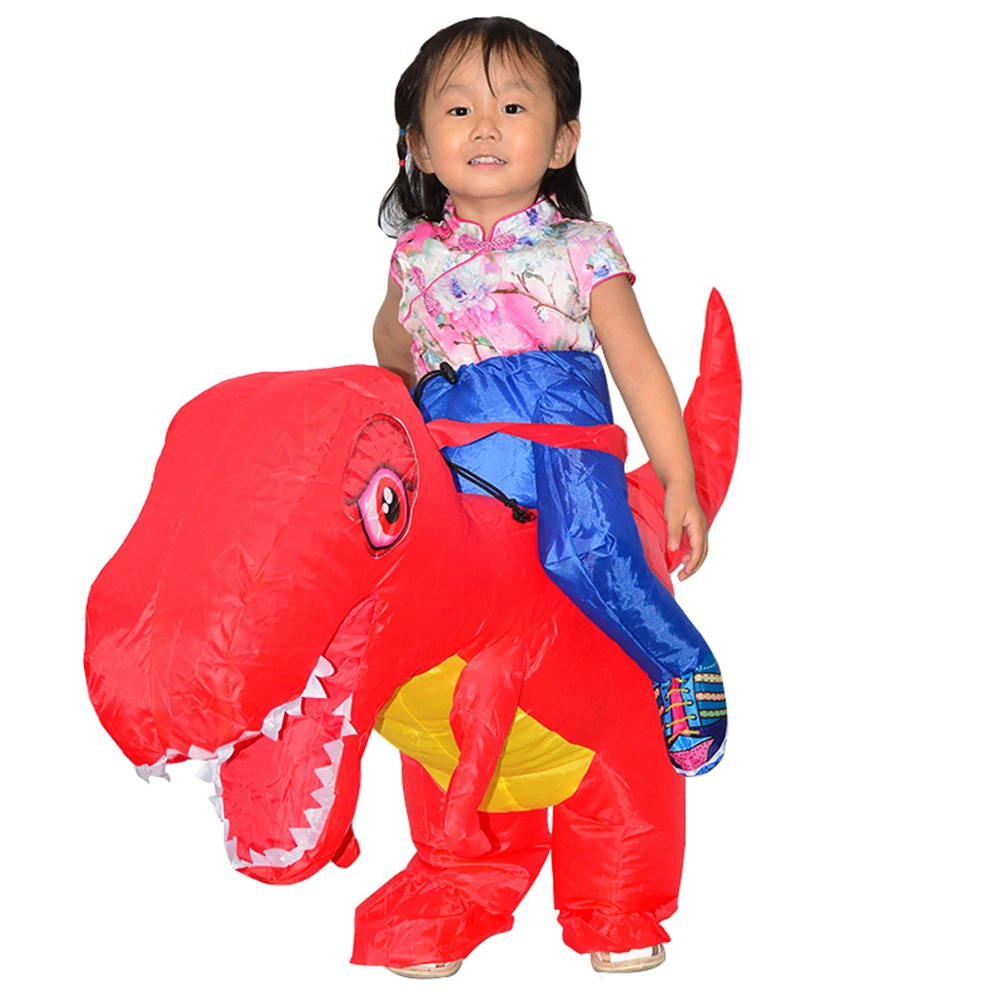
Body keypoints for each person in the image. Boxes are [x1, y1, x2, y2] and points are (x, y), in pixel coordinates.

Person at [370, 16, 727, 976]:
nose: (485, 124)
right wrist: (420, 392)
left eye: (514, 106)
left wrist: (678, 476)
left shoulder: (581, 246)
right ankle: (451, 873)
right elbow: (391, 347)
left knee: (587, 553)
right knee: (410, 615)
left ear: (562, 140)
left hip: (563, 448)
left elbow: (637, 364)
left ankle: (681, 664)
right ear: (418, 145)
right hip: (464, 469)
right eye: (456, 109)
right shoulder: (415, 256)